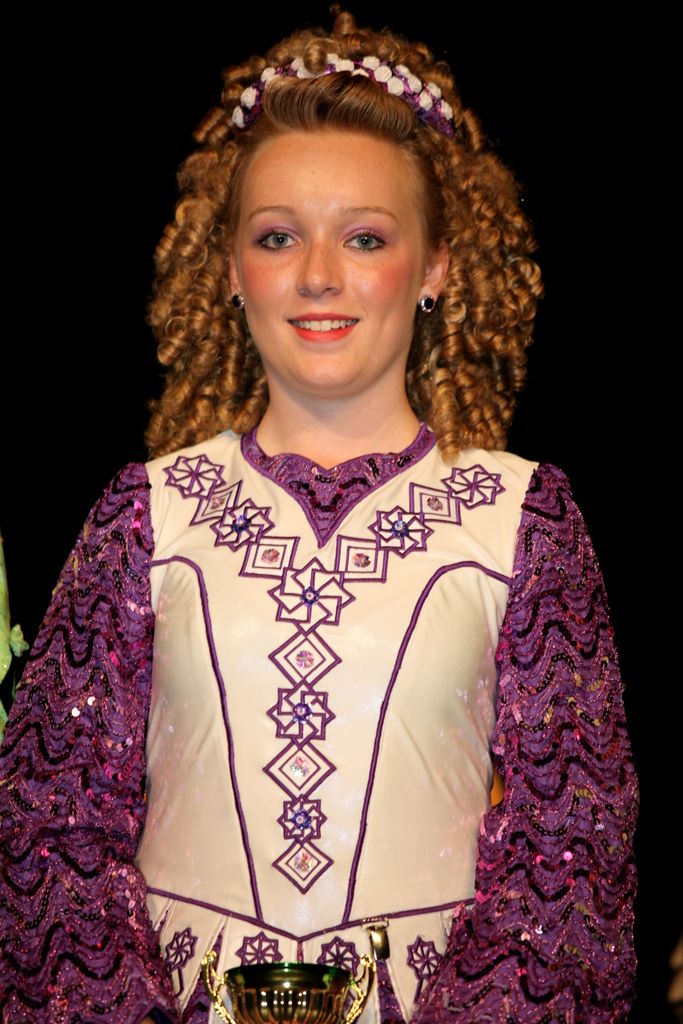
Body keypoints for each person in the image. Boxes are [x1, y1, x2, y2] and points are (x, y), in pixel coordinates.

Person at [0, 8, 638, 1023]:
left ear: (434, 266)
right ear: (229, 267)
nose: (317, 276)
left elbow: (571, 846)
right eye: (277, 236)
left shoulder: (523, 518)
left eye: (365, 237)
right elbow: (50, 821)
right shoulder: (144, 514)